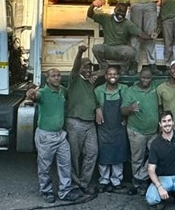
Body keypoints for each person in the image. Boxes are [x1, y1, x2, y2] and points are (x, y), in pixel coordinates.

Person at [25, 69, 81, 203]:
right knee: (45, 166)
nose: (57, 78)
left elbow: (68, 97)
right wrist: (31, 94)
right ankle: (46, 191)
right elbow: (34, 97)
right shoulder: (42, 93)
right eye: (53, 76)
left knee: (65, 164)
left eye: (58, 75)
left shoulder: (62, 90)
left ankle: (65, 191)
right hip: (46, 136)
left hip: (60, 135)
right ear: (47, 79)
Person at [88, 0, 157, 75]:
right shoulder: (106, 18)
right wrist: (93, 5)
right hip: (108, 48)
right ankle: (104, 66)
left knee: (130, 51)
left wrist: (151, 36)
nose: (121, 13)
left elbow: (140, 33)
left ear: (126, 12)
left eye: (123, 12)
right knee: (96, 48)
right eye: (119, 10)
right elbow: (90, 14)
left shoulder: (127, 24)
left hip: (121, 50)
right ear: (115, 10)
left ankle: (124, 69)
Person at [121, 68, 160, 195]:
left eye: (148, 78)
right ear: (139, 77)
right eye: (143, 77)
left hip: (153, 131)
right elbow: (122, 111)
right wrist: (130, 108)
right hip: (136, 131)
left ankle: (140, 177)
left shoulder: (155, 87)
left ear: (152, 78)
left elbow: (174, 79)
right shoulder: (130, 91)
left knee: (156, 154)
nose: (146, 80)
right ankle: (139, 185)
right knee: (137, 159)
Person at [66, 45, 98, 195]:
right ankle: (74, 184)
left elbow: (104, 70)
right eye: (85, 67)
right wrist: (80, 52)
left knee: (92, 152)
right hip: (75, 122)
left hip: (89, 123)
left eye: (90, 67)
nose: (88, 69)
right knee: (74, 155)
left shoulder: (91, 82)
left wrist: (97, 108)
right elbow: (75, 66)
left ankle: (84, 183)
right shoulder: (74, 79)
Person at [94, 66, 129, 193]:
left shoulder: (124, 89)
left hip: (119, 127)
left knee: (118, 154)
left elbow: (127, 104)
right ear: (106, 76)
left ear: (118, 76)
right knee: (103, 154)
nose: (112, 76)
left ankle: (116, 180)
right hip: (104, 127)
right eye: (109, 74)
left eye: (115, 74)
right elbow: (93, 102)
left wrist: (125, 117)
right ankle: (104, 180)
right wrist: (97, 107)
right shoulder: (98, 90)